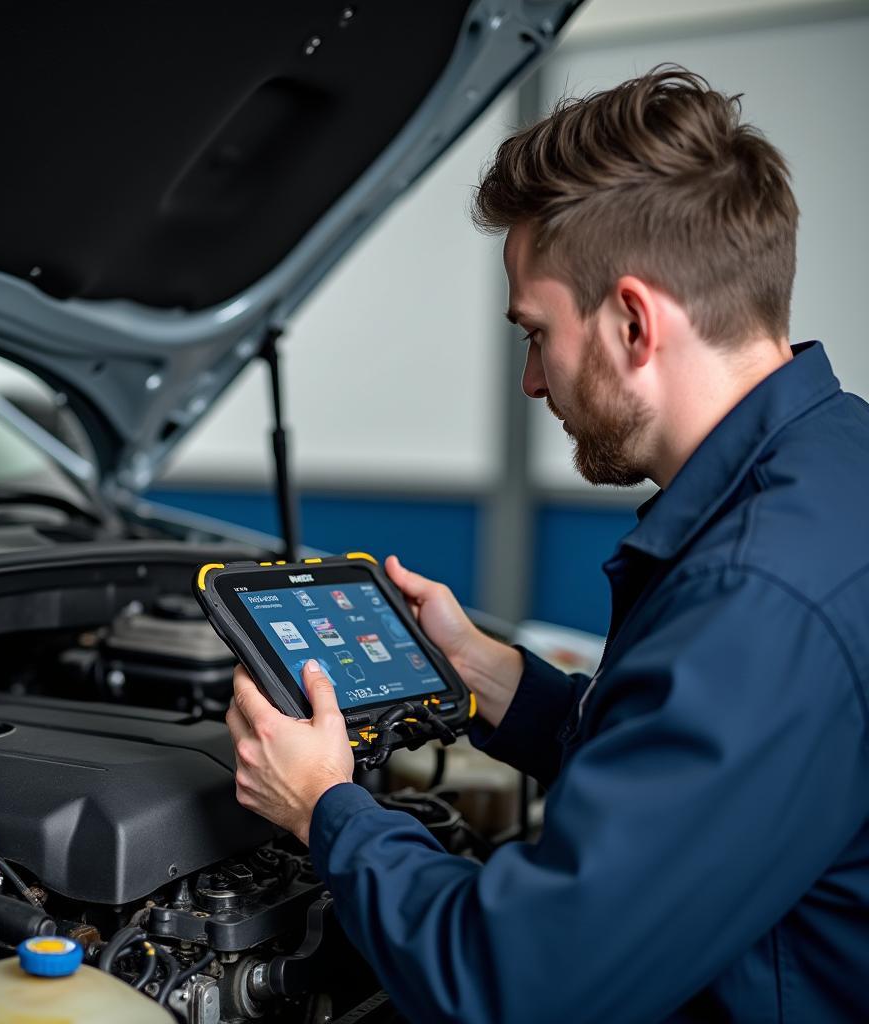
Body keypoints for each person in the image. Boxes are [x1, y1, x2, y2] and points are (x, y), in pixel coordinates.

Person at [224, 67, 869, 1022]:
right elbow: (687, 796)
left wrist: (327, 809)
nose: (533, 382)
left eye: (536, 335)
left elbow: (517, 983)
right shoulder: (833, 462)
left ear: (634, 322)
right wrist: (496, 681)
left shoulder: (756, 596)